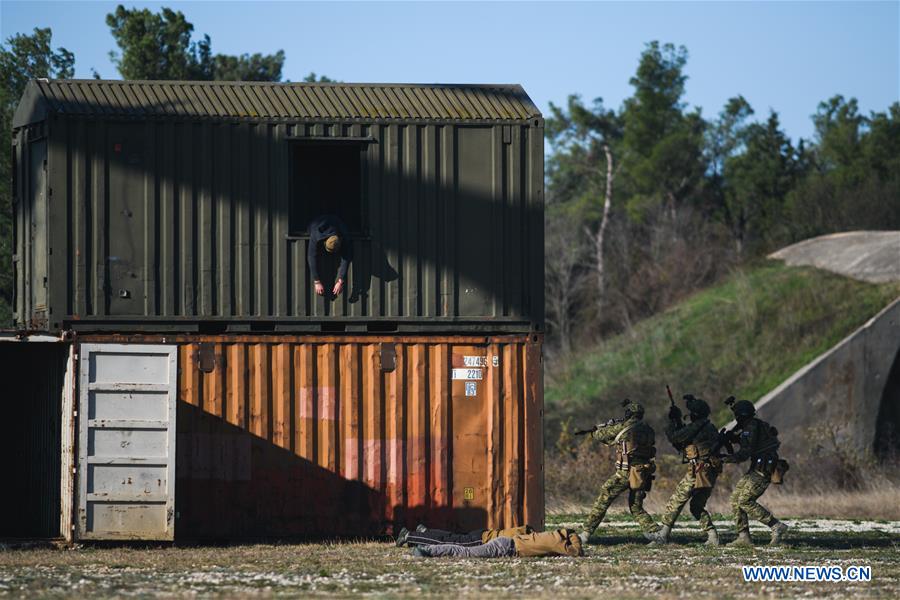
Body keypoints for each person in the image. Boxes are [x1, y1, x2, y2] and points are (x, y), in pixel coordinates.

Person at [581, 400, 661, 541]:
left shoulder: (624, 426)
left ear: (628, 414)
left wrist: (595, 432)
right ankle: (655, 534)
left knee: (604, 498)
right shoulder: (649, 430)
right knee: (636, 507)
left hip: (625, 473)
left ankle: (586, 533)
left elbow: (602, 435)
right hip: (642, 473)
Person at [648, 395, 722, 546]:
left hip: (698, 470)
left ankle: (663, 535)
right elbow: (685, 442)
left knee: (675, 501)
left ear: (695, 414)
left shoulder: (698, 426)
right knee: (696, 506)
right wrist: (678, 422)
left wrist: (673, 421)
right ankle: (713, 536)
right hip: (709, 470)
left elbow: (676, 437)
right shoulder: (709, 426)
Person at [723, 398, 789, 546]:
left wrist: (726, 458)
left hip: (763, 469)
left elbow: (745, 452)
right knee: (735, 499)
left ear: (741, 415)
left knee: (745, 500)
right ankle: (743, 537)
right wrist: (733, 438)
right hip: (757, 468)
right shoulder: (755, 425)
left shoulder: (750, 427)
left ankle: (776, 526)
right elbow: (752, 443)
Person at [410, 528, 584, 559]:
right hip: (505, 547)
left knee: (463, 546)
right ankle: (429, 550)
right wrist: (577, 540)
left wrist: (571, 534)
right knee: (465, 552)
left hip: (506, 543)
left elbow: (568, 532)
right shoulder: (556, 542)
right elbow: (576, 552)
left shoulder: (553, 535)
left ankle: (429, 547)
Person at [307, 214, 353, 296]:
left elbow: (346, 257)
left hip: (335, 220)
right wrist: (317, 281)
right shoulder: (315, 233)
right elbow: (311, 257)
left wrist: (340, 280)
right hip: (314, 223)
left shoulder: (343, 233)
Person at [395, 524, 533, 547]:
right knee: (448, 543)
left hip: (483, 534)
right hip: (481, 539)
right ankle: (409, 536)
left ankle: (426, 532)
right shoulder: (525, 535)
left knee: (451, 537)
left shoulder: (522, 530)